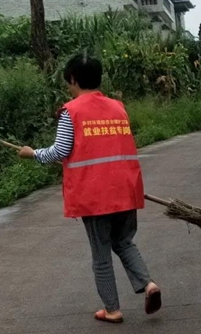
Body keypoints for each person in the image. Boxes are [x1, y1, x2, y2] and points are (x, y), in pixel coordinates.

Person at [17, 53, 161, 323]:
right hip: (126, 189)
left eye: (68, 83)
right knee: (123, 241)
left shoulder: (72, 111)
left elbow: (60, 151)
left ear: (72, 79)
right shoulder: (118, 107)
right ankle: (148, 284)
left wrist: (32, 153)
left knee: (101, 252)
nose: (68, 88)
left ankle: (112, 309)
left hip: (96, 196)